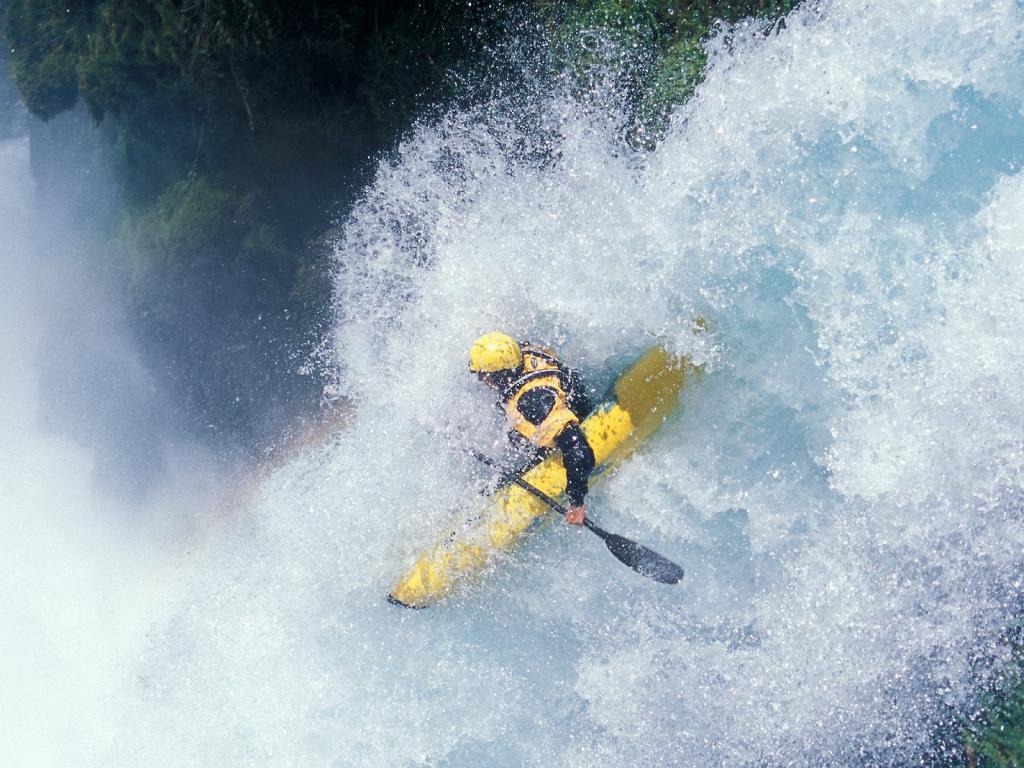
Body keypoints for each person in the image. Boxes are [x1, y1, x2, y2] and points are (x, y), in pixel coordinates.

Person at [468, 332, 596, 525]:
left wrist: (576, 502)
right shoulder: (522, 353)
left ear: (500, 375)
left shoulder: (533, 403)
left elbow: (579, 451)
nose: (481, 380)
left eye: (484, 375)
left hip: (568, 424)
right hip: (560, 400)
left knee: (506, 470)